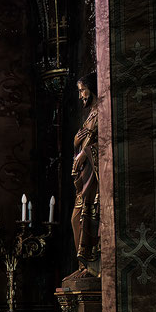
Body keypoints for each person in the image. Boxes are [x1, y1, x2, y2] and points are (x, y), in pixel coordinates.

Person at [69, 72, 99, 276]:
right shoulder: (91, 114)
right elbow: (84, 140)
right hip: (84, 175)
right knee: (75, 218)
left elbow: (106, 141)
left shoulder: (102, 112)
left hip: (94, 176)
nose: (81, 96)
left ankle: (92, 266)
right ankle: (83, 266)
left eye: (83, 90)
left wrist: (86, 153)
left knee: (86, 216)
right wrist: (76, 143)